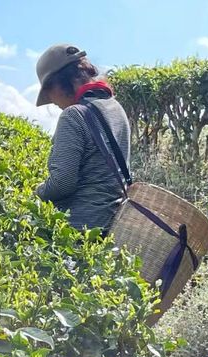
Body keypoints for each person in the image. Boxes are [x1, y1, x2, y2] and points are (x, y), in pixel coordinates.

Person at [34, 44, 130, 233]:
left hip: (77, 229)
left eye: (49, 94)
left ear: (60, 83)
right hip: (112, 225)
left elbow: (62, 183)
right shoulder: (115, 108)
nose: (53, 102)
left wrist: (36, 191)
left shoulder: (74, 115)